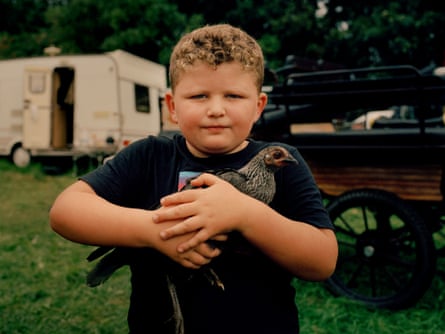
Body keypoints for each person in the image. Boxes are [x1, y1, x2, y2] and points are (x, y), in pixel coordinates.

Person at [49, 23, 338, 334]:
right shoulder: (148, 156)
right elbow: (65, 212)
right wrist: (152, 230)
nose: (216, 109)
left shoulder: (284, 162)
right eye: (199, 96)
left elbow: (322, 261)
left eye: (234, 96)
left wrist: (245, 214)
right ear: (172, 107)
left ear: (258, 107)